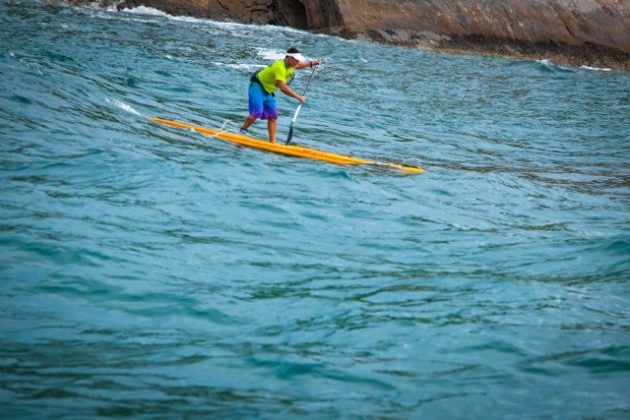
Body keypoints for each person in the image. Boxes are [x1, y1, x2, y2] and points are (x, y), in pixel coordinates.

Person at [240, 47, 321, 143]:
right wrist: (298, 97)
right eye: (296, 60)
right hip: (257, 86)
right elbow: (282, 88)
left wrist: (312, 63)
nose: (297, 62)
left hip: (268, 90)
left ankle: (272, 143)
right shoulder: (280, 68)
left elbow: (300, 64)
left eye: (298, 60)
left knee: (272, 116)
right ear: (288, 58)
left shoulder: (292, 64)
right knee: (256, 112)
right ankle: (242, 132)